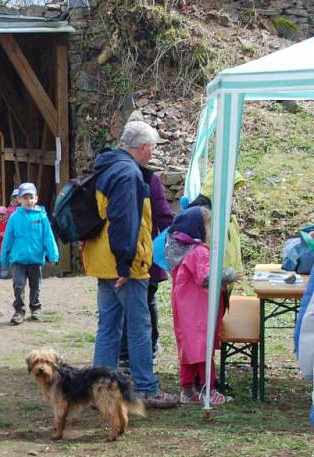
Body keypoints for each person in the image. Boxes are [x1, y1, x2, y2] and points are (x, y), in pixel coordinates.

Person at [82, 120, 177, 408]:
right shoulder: (128, 174)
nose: (152, 154)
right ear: (143, 147)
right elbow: (126, 221)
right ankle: (147, 388)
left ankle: (99, 390)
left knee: (108, 326)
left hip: (102, 259)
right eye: (151, 148)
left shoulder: (106, 166)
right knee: (139, 326)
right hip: (125, 264)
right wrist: (125, 266)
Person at [165, 206, 237, 405]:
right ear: (197, 229)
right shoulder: (199, 252)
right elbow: (206, 277)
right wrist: (228, 275)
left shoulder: (181, 252)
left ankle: (187, 390)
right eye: (208, 225)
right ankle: (209, 390)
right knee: (203, 351)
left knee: (188, 350)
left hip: (185, 309)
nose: (211, 230)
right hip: (197, 311)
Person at [119, 169, 175, 367]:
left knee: (119, 303)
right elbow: (163, 215)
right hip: (142, 252)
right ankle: (148, 349)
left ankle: (124, 353)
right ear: (142, 148)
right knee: (146, 300)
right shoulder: (147, 177)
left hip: (113, 253)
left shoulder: (107, 173)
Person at [0, 182, 59, 324]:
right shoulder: (14, 218)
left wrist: (53, 254)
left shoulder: (42, 217)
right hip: (18, 259)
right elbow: (8, 239)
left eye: (31, 197)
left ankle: (35, 308)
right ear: (19, 199)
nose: (28, 200)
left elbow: (48, 237)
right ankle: (19, 310)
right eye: (25, 198)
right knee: (18, 285)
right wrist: (4, 258)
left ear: (36, 198)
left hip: (35, 259)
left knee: (36, 286)